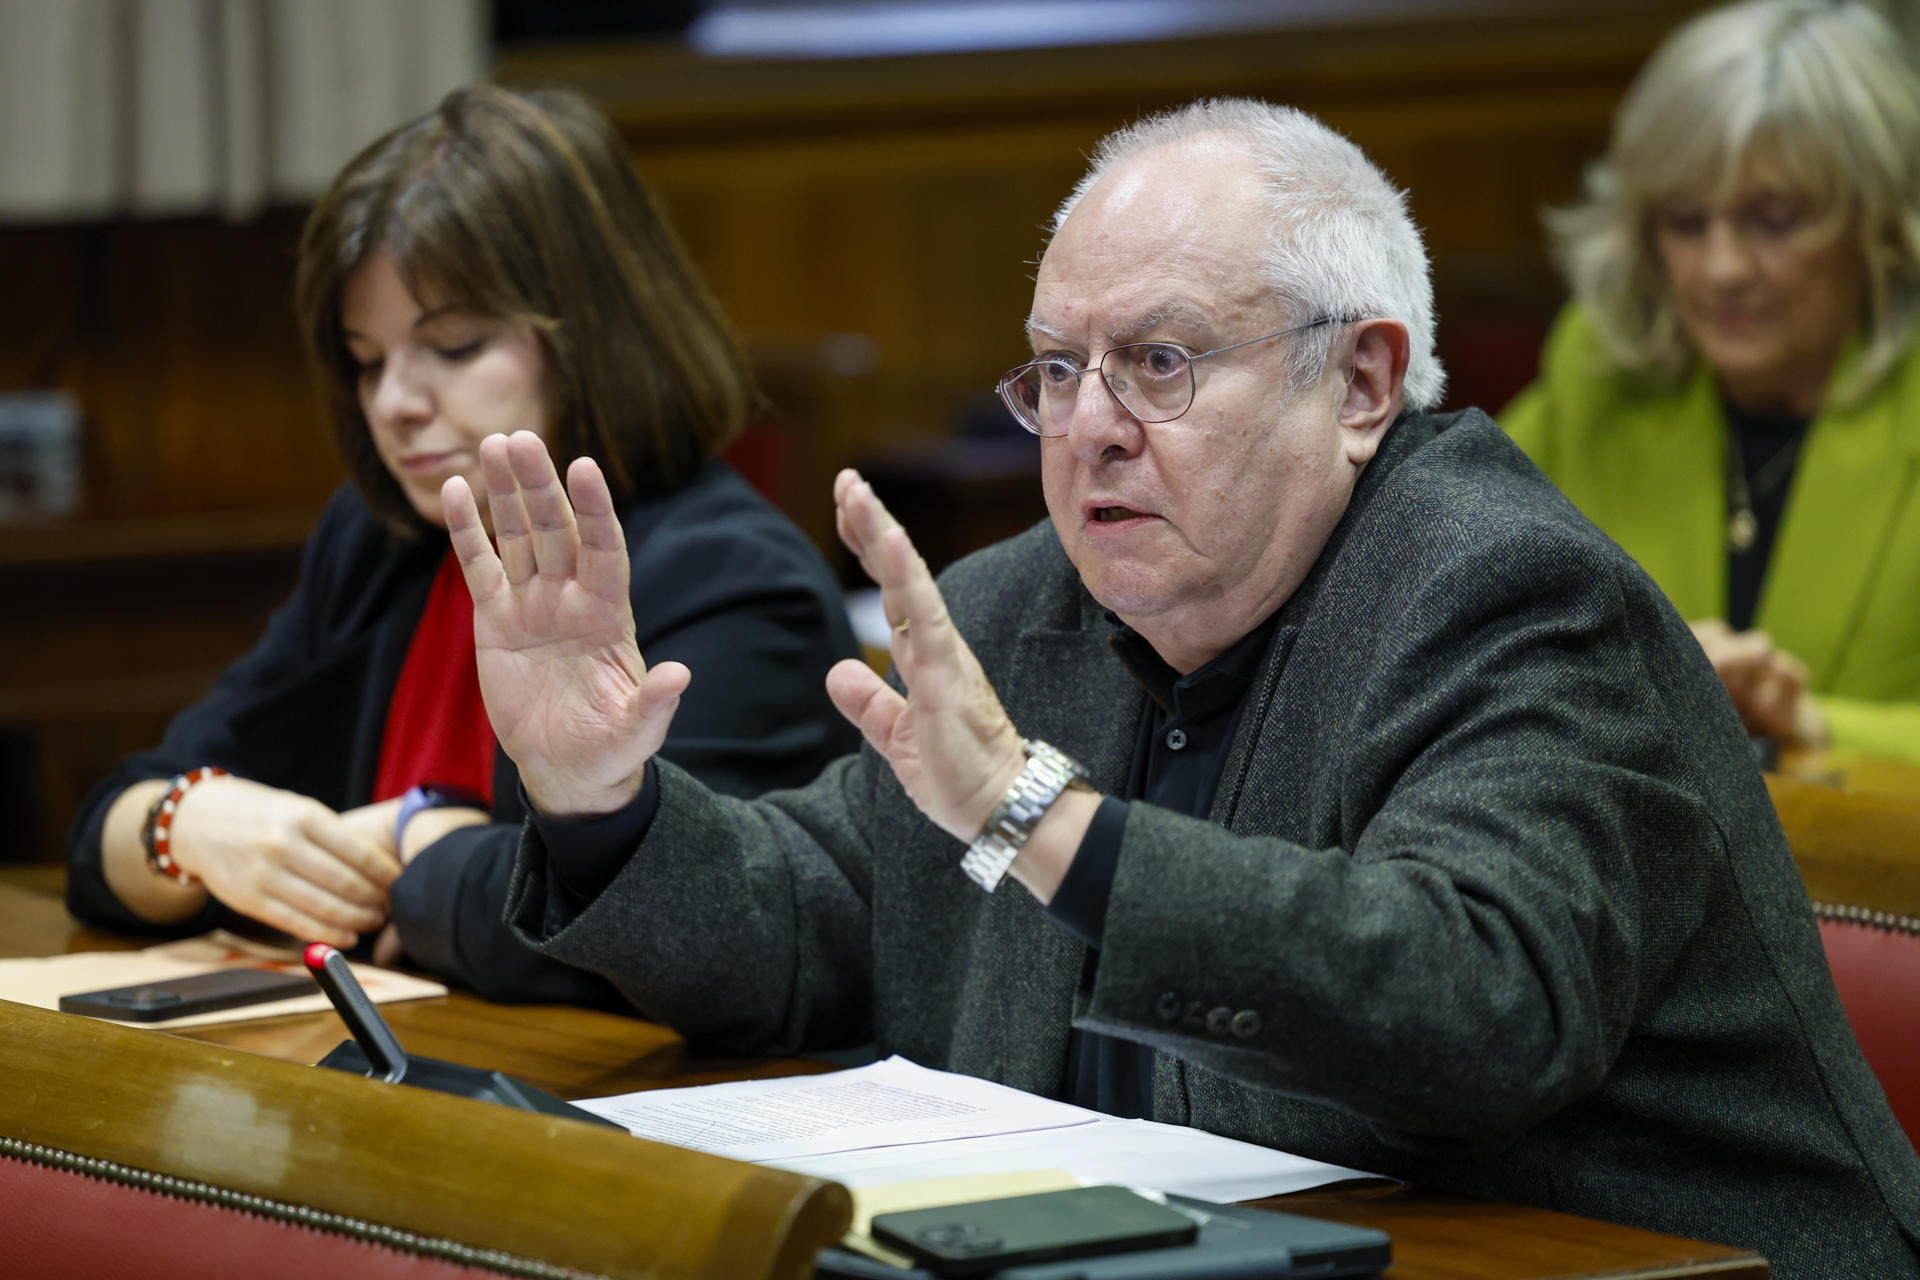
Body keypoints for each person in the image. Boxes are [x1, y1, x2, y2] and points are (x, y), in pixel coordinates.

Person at [453, 100, 1918, 1275]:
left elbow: (1478, 999)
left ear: (1359, 384)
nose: (1087, 428)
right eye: (1053, 371)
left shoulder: (1512, 600)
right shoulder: (1023, 606)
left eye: (1156, 362)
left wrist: (1037, 815)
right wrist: (601, 802)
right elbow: (822, 910)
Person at [64, 86, 859, 1008]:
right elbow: (108, 825)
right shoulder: (380, 542)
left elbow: (659, 938)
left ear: (594, 332)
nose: (394, 400)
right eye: (367, 359)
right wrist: (188, 823)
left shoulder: (735, 577)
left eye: (453, 344)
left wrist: (406, 848)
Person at [1502, 0, 1920, 763]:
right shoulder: (1598, 373)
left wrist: (1814, 730)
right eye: (1687, 222)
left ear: (1878, 219)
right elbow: (1456, 639)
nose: (1723, 269)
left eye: (1775, 218)